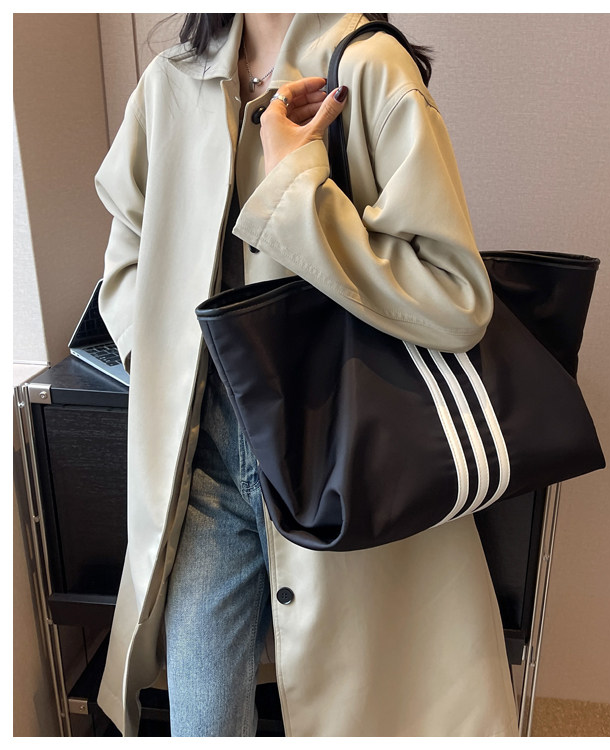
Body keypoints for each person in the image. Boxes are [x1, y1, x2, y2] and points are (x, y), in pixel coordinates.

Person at [94, 12, 519, 737]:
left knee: (355, 712)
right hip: (202, 463)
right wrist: (158, 363)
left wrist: (296, 183)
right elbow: (128, 257)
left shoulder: (371, 69)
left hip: (335, 449)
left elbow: (456, 301)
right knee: (201, 723)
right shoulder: (171, 82)